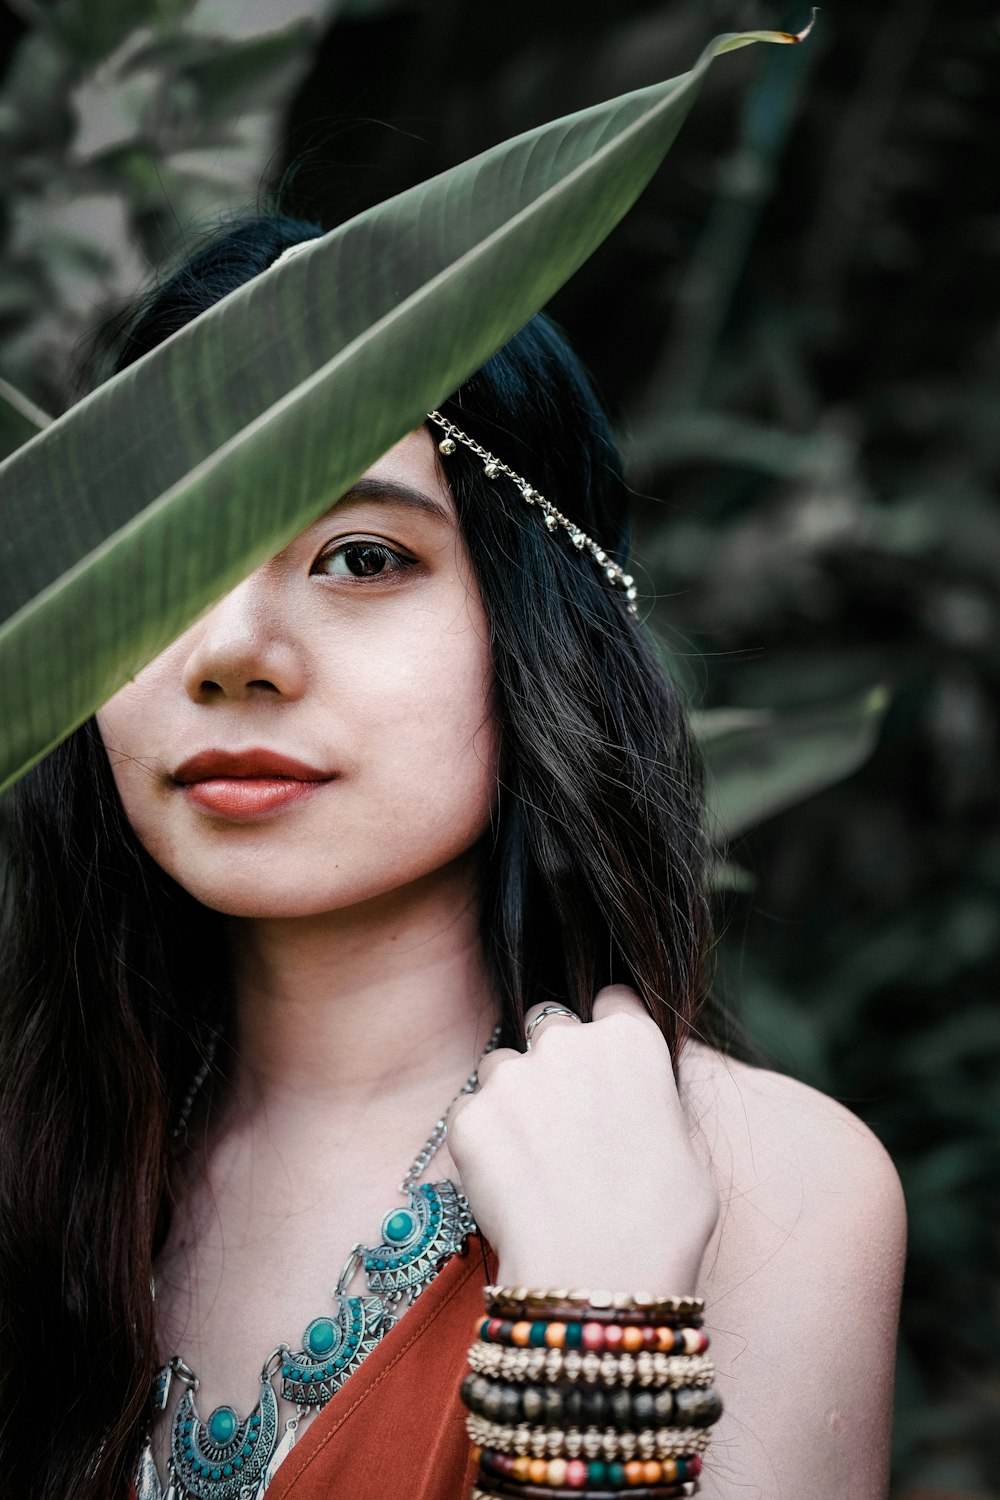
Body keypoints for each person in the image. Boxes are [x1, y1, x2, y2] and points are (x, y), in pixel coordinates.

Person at [0, 214, 906, 1500]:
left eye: (360, 557)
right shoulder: (31, 1150)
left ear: (541, 632)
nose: (227, 648)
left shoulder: (762, 1188)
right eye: (161, 559)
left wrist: (597, 1339)